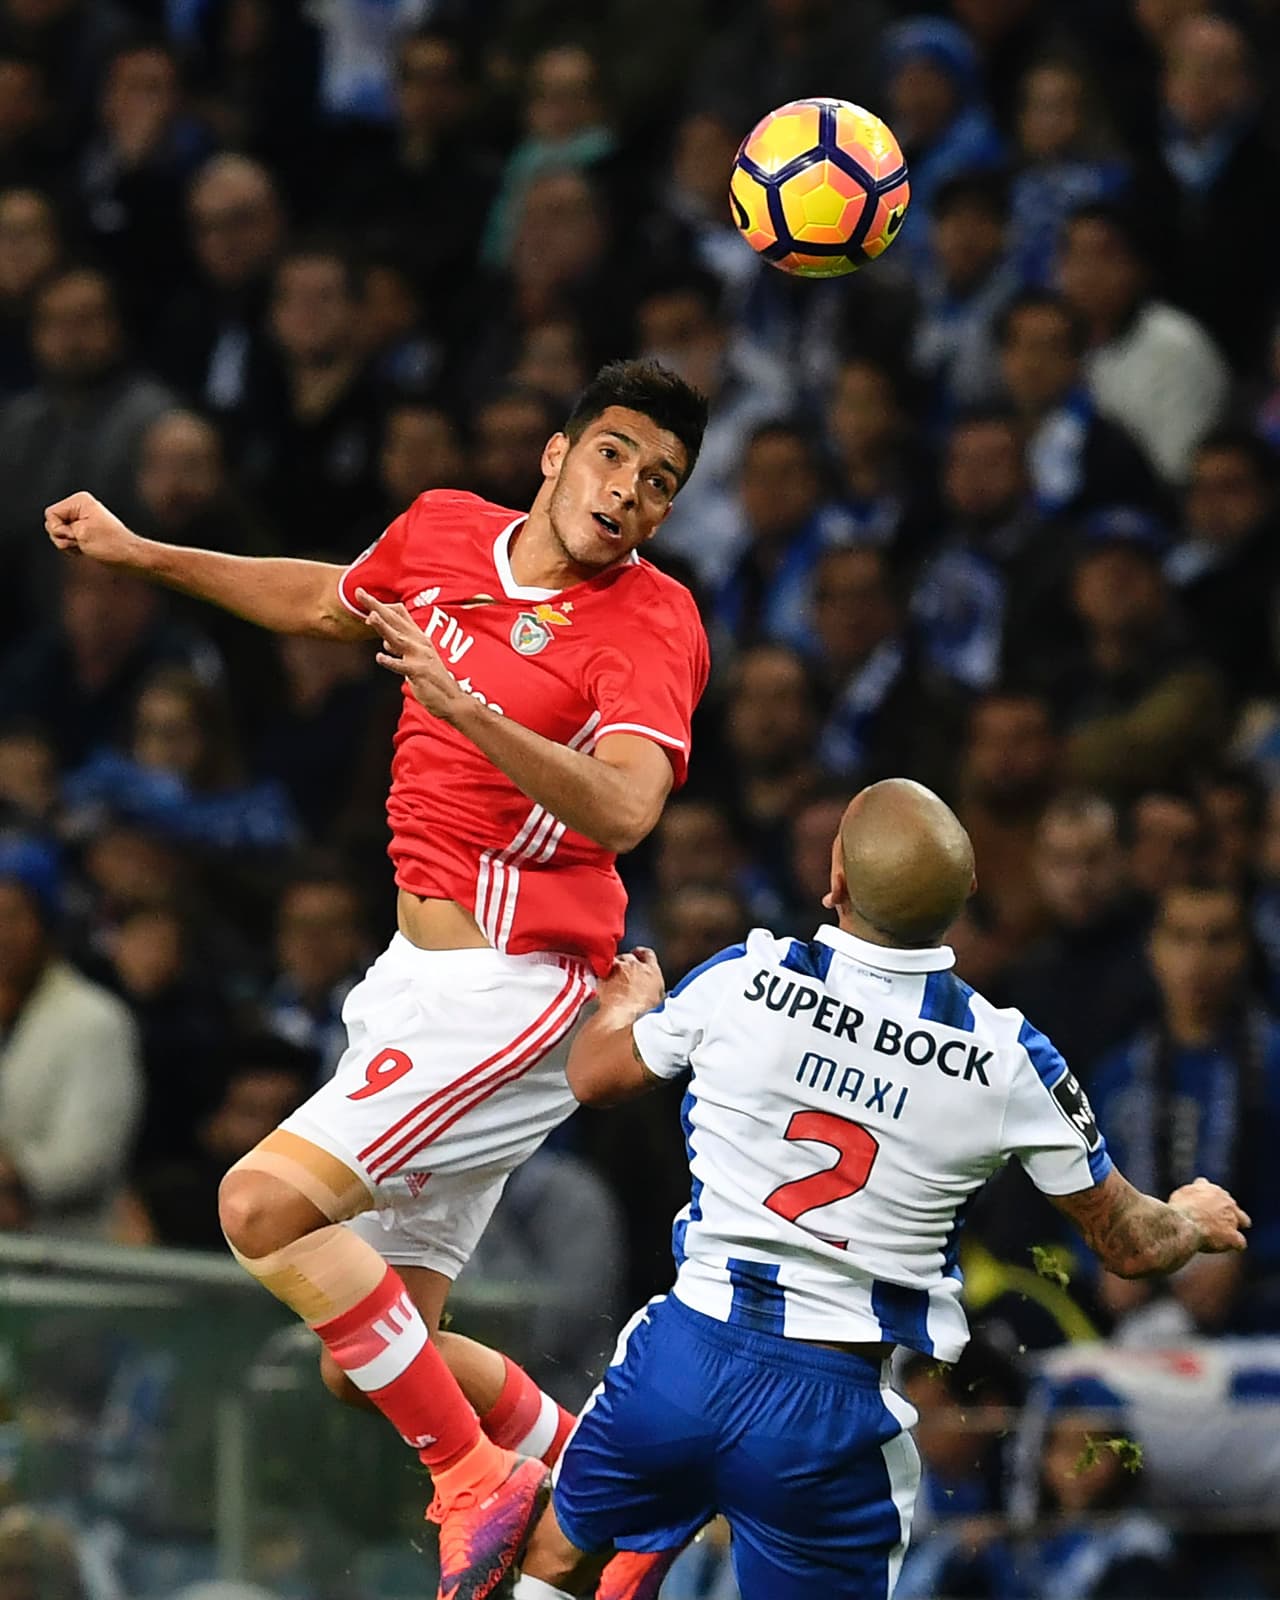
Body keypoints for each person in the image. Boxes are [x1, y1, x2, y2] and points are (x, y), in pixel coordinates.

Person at [43, 357, 710, 1600]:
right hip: (414, 978)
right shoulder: (445, 527)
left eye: (661, 482)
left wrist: (472, 710)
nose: (630, 492)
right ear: (556, 456)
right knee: (367, 1356)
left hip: (519, 981)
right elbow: (325, 603)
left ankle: (475, 1479)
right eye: (614, 455)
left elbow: (625, 806)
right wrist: (145, 555)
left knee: (259, 1210)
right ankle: (598, 1483)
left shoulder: (651, 620)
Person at [497, 778, 1248, 1600]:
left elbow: (593, 1076)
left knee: (560, 1561)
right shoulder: (1006, 1057)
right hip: (829, 1412)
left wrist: (629, 1007)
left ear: (836, 881)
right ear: (966, 893)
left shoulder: (748, 976)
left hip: (683, 1354)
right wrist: (1191, 1217)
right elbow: (1130, 1245)